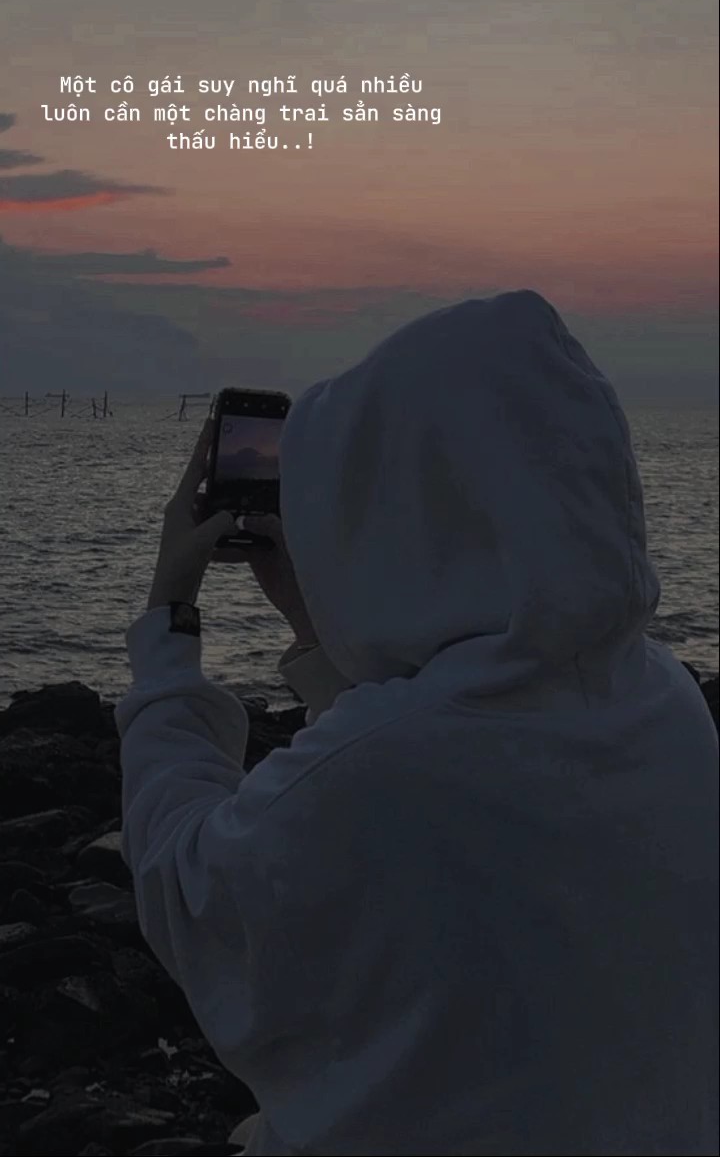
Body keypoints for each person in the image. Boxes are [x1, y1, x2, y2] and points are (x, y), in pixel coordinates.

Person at [116, 290, 719, 1157]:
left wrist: (167, 625)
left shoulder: (382, 770)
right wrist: (317, 630)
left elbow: (187, 885)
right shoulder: (665, 703)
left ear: (386, 501)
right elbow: (423, 773)